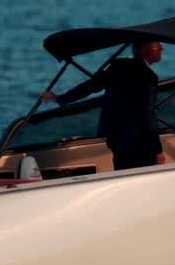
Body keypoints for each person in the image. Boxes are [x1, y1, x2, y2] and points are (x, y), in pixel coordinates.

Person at [40, 40, 167, 171]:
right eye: (160, 47)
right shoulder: (148, 76)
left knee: (122, 173)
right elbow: (147, 114)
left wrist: (60, 98)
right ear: (151, 52)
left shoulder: (119, 66)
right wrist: (157, 150)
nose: (162, 50)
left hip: (116, 137)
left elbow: (90, 86)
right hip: (138, 141)